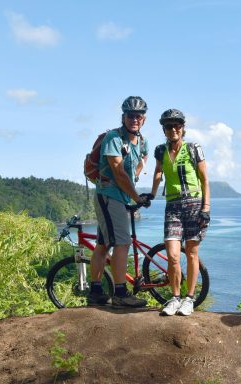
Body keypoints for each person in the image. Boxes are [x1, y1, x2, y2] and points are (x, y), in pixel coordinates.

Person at [87, 96, 154, 308]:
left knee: (103, 244)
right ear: (123, 117)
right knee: (122, 242)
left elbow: (141, 160)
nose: (135, 119)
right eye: (130, 115)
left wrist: (138, 172)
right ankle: (120, 293)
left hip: (121, 197)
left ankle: (96, 291)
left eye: (139, 116)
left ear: (144, 119)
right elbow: (118, 173)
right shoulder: (114, 139)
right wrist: (137, 197)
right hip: (109, 195)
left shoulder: (142, 142)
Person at [149, 108, 211, 316]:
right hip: (172, 206)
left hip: (194, 204)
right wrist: (151, 194)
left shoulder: (194, 148)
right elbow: (158, 172)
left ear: (183, 128)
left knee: (192, 252)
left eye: (177, 125)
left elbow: (204, 179)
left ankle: (189, 298)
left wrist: (206, 208)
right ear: (164, 129)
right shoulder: (160, 150)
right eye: (168, 126)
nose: (173, 129)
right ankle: (175, 297)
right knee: (173, 255)